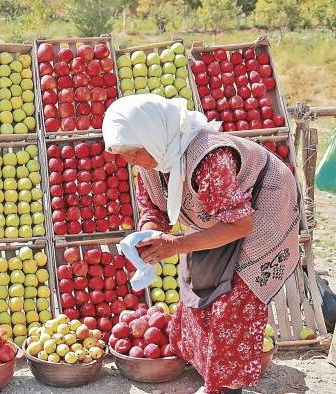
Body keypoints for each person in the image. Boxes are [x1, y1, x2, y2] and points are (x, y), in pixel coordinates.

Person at [102, 94, 300, 394]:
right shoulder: (152, 160)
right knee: (197, 283)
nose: (129, 161)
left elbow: (239, 224)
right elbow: (154, 211)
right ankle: (209, 369)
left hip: (263, 209)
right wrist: (147, 235)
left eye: (132, 153)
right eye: (124, 155)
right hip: (219, 215)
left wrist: (176, 244)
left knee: (235, 298)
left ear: (152, 137)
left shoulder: (209, 158)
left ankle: (227, 384)